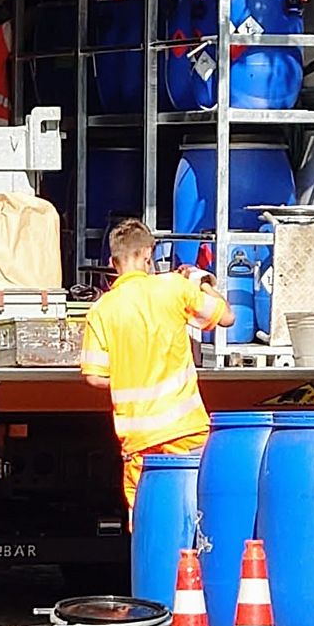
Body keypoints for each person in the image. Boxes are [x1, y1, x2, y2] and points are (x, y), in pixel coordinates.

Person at [81, 218, 234, 514]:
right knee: (196, 515)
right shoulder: (174, 288)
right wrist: (201, 281)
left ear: (113, 262)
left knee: (147, 524)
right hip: (185, 430)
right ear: (148, 254)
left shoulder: (101, 309)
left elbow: (94, 377)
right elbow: (226, 317)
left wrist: (129, 377)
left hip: (139, 440)